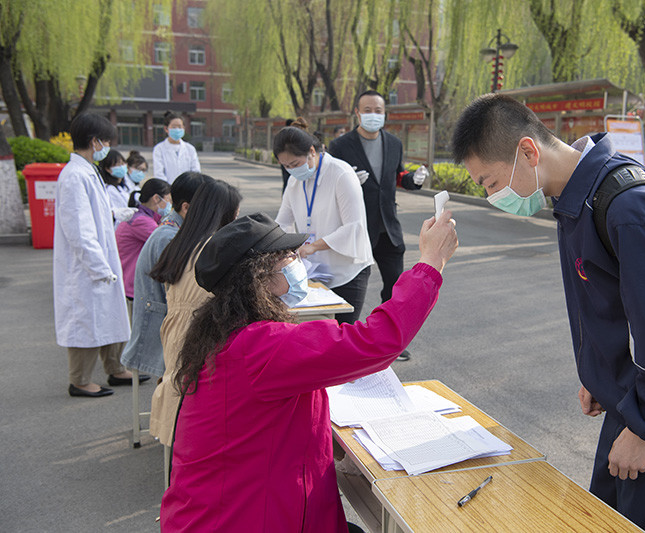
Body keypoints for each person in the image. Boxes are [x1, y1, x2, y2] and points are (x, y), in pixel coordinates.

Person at [450, 93, 645, 533]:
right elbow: (614, 306)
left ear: (528, 151)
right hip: (634, 403)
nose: (491, 195)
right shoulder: (578, 200)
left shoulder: (629, 208)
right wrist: (601, 373)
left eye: (490, 182)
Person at [159, 211, 458, 530]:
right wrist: (430, 263)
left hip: (239, 508)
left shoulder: (226, 335)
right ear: (260, 278)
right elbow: (377, 340)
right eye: (287, 258)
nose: (296, 261)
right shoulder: (260, 347)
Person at [328, 90, 429, 359]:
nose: (374, 115)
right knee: (350, 285)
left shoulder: (394, 143)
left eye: (378, 110)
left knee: (395, 288)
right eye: (368, 110)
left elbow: (398, 176)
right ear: (357, 113)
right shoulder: (339, 146)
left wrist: (414, 180)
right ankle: (344, 343)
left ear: (384, 113)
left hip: (388, 229)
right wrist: (349, 183)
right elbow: (329, 187)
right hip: (357, 227)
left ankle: (390, 343)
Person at [148, 179, 242, 448]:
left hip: (175, 333)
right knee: (193, 414)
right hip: (200, 337)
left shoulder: (181, 242)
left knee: (179, 402)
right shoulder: (213, 251)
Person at [53, 113, 138, 397]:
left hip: (101, 259)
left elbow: (94, 216)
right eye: (106, 142)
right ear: (95, 141)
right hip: (86, 267)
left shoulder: (88, 171)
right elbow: (79, 230)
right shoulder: (75, 176)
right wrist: (98, 266)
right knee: (86, 323)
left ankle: (114, 368)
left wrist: (116, 214)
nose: (107, 147)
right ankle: (79, 381)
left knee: (108, 317)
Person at [274, 126, 373, 324]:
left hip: (347, 272)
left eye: (295, 163)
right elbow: (282, 223)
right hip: (314, 272)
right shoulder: (294, 183)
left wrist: (313, 246)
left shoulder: (341, 174)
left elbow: (354, 227)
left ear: (312, 151)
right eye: (286, 166)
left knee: (343, 336)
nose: (292, 171)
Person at [120, 172, 210, 378]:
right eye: (205, 209)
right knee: (172, 383)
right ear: (186, 207)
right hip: (161, 323)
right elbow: (181, 291)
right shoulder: (168, 237)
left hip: (166, 321)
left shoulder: (176, 229)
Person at [114, 178, 172, 302]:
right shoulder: (141, 221)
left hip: (130, 282)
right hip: (131, 285)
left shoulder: (143, 217)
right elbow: (168, 243)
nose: (170, 205)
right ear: (156, 198)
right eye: (169, 200)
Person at [152, 111, 201, 184]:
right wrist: (167, 190)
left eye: (180, 127)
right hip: (167, 191)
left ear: (184, 128)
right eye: (174, 127)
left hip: (188, 190)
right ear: (166, 128)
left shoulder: (190, 149)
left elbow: (196, 171)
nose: (177, 129)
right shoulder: (159, 149)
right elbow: (159, 173)